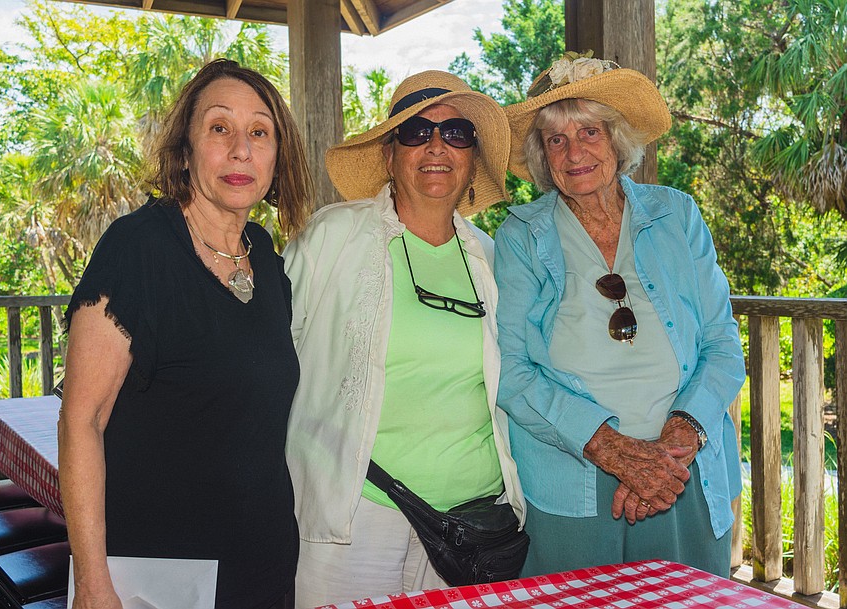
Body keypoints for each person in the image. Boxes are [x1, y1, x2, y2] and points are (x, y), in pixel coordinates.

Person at [58, 59, 313, 609]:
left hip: (260, 567)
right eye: (220, 128)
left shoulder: (266, 259)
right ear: (186, 149)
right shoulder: (138, 251)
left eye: (260, 132)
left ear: (277, 155)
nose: (241, 149)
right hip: (157, 577)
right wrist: (94, 584)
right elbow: (82, 421)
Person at [494, 53, 745, 578]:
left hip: (683, 472)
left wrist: (679, 438)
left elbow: (723, 343)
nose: (574, 152)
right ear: (542, 153)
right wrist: (613, 450)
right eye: (555, 139)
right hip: (574, 483)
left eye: (589, 132)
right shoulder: (521, 236)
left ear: (617, 140)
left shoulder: (677, 214)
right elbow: (512, 374)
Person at [283, 70, 525, 607]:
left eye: (457, 133)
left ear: (473, 157)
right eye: (416, 132)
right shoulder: (332, 236)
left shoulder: (492, 257)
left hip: (473, 525)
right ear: (390, 155)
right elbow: (269, 357)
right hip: (354, 518)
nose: (437, 146)